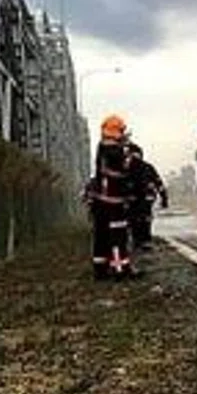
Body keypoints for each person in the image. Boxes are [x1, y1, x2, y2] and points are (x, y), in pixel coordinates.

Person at [84, 114, 136, 279]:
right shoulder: (114, 151)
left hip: (102, 201)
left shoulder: (103, 148)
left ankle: (101, 269)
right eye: (121, 131)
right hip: (114, 201)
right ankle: (120, 268)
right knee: (117, 235)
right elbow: (123, 172)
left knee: (102, 236)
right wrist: (128, 158)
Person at [124, 141, 168, 250]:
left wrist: (164, 198)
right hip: (135, 199)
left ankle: (143, 241)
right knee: (137, 220)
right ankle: (140, 241)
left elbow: (159, 183)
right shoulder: (128, 168)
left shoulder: (146, 168)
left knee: (142, 220)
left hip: (143, 199)